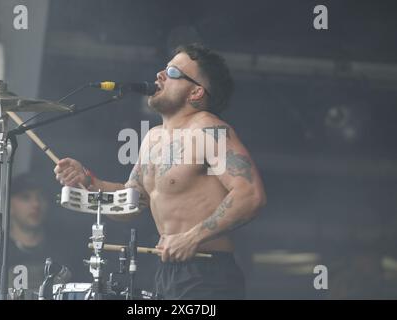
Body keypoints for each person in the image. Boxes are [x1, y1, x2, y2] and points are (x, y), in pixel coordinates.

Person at [54, 43, 267, 299]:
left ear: (196, 92)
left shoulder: (208, 131)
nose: (160, 75)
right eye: (164, 69)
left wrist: (191, 237)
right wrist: (89, 181)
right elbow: (132, 200)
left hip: (207, 271)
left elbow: (250, 195)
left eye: (174, 73)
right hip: (167, 272)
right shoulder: (153, 138)